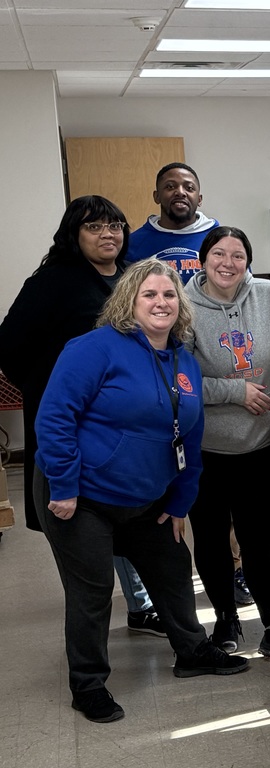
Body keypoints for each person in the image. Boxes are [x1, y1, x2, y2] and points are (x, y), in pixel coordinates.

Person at [34, 259, 250, 723]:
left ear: (180, 305)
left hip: (145, 498)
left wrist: (179, 503)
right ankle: (88, 684)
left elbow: (190, 440)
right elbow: (55, 417)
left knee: (173, 566)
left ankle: (192, 651)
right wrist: (65, 485)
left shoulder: (182, 361)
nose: (161, 302)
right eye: (149, 294)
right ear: (128, 301)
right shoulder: (94, 348)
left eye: (169, 295)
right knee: (92, 588)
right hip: (82, 495)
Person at [0, 195, 167, 637]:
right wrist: (54, 384)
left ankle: (141, 606)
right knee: (81, 520)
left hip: (127, 424)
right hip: (73, 421)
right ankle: (96, 625)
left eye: (114, 225)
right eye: (94, 227)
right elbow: (8, 344)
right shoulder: (54, 281)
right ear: (74, 234)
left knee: (128, 510)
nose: (107, 234)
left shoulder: (133, 276)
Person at [183, 226, 270, 665]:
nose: (228, 263)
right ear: (203, 259)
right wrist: (237, 392)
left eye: (238, 255)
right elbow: (180, 379)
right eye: (219, 253)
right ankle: (225, 619)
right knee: (213, 542)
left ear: (248, 262)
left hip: (258, 444)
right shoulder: (183, 305)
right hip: (205, 449)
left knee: (258, 541)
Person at [126, 162, 218, 283]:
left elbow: (244, 291)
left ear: (199, 199)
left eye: (189, 188)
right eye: (170, 186)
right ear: (157, 196)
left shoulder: (220, 239)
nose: (180, 192)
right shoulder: (133, 244)